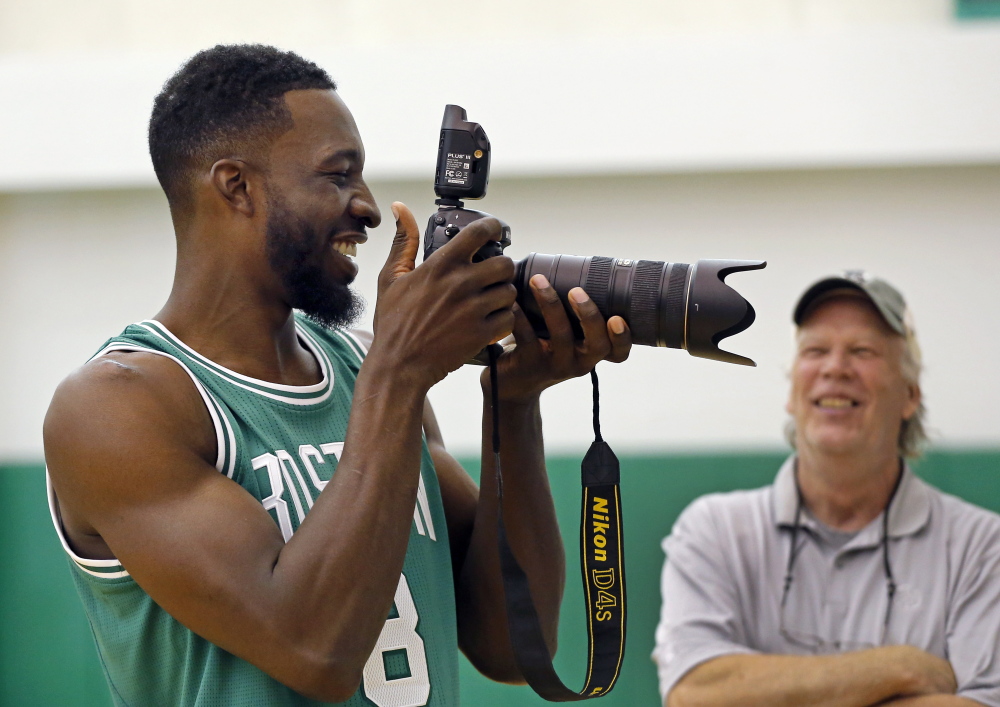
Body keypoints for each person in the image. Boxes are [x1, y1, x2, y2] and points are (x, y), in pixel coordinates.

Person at [43, 44, 631, 706]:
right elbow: (315, 651)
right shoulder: (116, 405)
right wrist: (401, 369)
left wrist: (513, 403)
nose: (371, 208)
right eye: (338, 175)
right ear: (236, 185)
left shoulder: (363, 368)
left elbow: (512, 644)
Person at [653, 271, 1000, 707]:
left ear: (910, 395)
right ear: (792, 392)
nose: (835, 368)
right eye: (815, 350)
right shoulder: (714, 530)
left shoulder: (981, 547)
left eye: (863, 351)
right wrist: (902, 668)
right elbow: (695, 694)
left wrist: (757, 691)